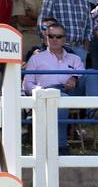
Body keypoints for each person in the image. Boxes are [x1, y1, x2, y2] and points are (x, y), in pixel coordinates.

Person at [22, 21, 86, 155]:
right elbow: (27, 84)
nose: (54, 40)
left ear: (64, 39)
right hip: (48, 92)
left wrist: (74, 77)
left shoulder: (74, 58)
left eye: (58, 37)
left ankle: (95, 110)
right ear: (46, 38)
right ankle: (61, 146)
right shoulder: (36, 59)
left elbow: (83, 73)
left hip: (72, 91)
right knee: (59, 100)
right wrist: (41, 91)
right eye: (51, 36)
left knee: (92, 74)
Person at [39, 0, 98, 97]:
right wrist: (46, 39)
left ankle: (88, 114)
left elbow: (89, 23)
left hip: (79, 49)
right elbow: (43, 20)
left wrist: (86, 44)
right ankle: (63, 114)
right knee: (60, 83)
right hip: (59, 47)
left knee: (78, 83)